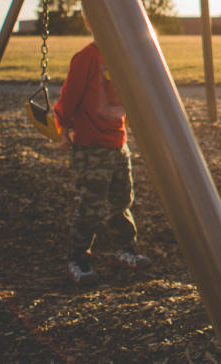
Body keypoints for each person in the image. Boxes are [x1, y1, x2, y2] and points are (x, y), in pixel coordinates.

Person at [53, 16, 152, 285]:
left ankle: (123, 250)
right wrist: (62, 128)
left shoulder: (122, 56)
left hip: (118, 142)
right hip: (92, 144)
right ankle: (77, 260)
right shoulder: (86, 57)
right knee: (91, 206)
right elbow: (69, 96)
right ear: (90, 24)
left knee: (121, 201)